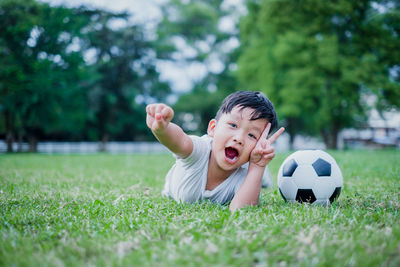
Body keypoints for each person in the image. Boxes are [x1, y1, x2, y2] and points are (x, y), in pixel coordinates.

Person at [146, 91, 285, 211]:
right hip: (173, 189)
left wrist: (257, 167)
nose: (239, 138)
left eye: (252, 135)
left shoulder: (245, 173)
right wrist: (162, 129)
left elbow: (241, 210)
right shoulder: (200, 150)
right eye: (233, 125)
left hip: (249, 163)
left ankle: (264, 176)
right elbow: (180, 141)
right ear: (213, 128)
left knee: (260, 178)